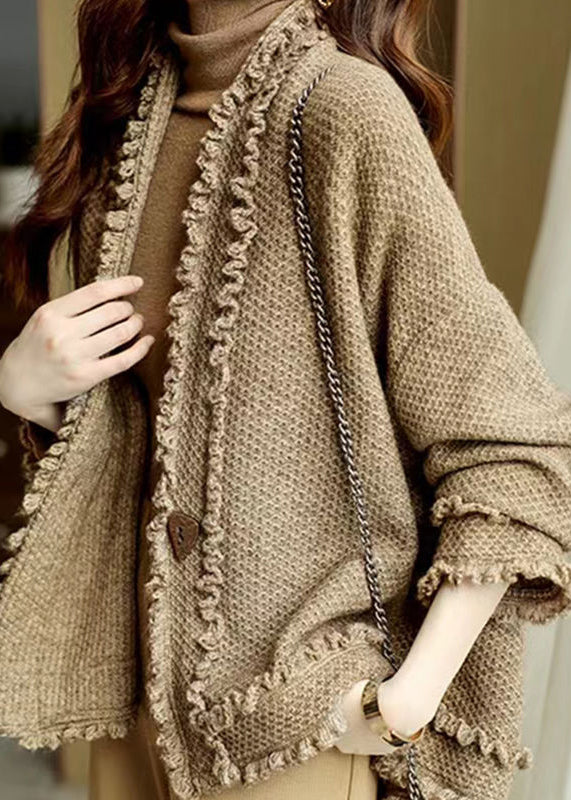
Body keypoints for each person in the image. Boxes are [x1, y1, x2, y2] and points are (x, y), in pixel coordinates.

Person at [1, 0, 570, 799]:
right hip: (137, 710)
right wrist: (24, 388)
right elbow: (155, 441)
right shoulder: (128, 114)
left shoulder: (346, 110)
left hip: (296, 725)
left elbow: (511, 447)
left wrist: (400, 705)